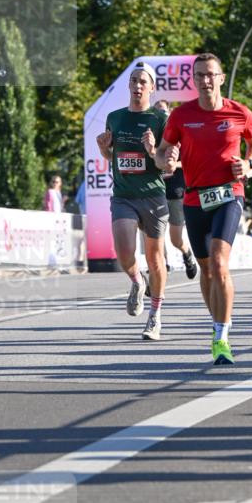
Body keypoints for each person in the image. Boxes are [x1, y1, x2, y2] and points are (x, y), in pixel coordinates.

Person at [155, 53, 252, 365]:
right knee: (206, 269)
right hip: (194, 198)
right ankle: (217, 321)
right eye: (199, 75)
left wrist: (249, 163)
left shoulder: (239, 112)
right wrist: (167, 162)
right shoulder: (180, 116)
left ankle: (221, 337)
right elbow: (161, 154)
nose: (205, 80)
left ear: (220, 77)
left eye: (210, 74)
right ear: (194, 79)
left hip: (230, 194)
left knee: (219, 263)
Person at [96, 60, 169, 341]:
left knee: (155, 258)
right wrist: (104, 149)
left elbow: (167, 165)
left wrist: (152, 151)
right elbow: (112, 158)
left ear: (152, 87)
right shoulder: (115, 117)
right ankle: (138, 282)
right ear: (129, 85)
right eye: (134, 81)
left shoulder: (160, 120)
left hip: (152, 194)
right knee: (125, 253)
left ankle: (155, 316)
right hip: (124, 195)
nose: (138, 86)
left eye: (143, 82)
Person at [153, 99, 198, 281]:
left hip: (176, 191)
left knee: (175, 239)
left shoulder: (179, 134)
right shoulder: (151, 136)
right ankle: (161, 267)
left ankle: (187, 254)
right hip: (156, 191)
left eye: (163, 111)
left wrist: (172, 164)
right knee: (155, 234)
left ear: (170, 112)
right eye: (156, 112)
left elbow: (190, 160)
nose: (160, 115)